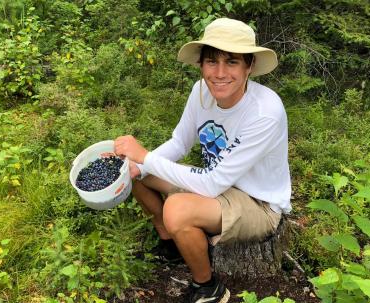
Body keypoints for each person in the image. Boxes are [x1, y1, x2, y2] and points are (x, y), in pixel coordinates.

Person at [114, 17, 291, 303]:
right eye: (212, 61)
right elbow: (179, 143)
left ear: (250, 67)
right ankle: (170, 241)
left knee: (177, 209)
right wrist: (138, 163)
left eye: (232, 62)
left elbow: (211, 184)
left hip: (258, 202)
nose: (220, 73)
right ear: (201, 65)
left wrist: (145, 156)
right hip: (218, 180)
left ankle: (208, 287)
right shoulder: (200, 91)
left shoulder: (264, 112)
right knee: (135, 172)